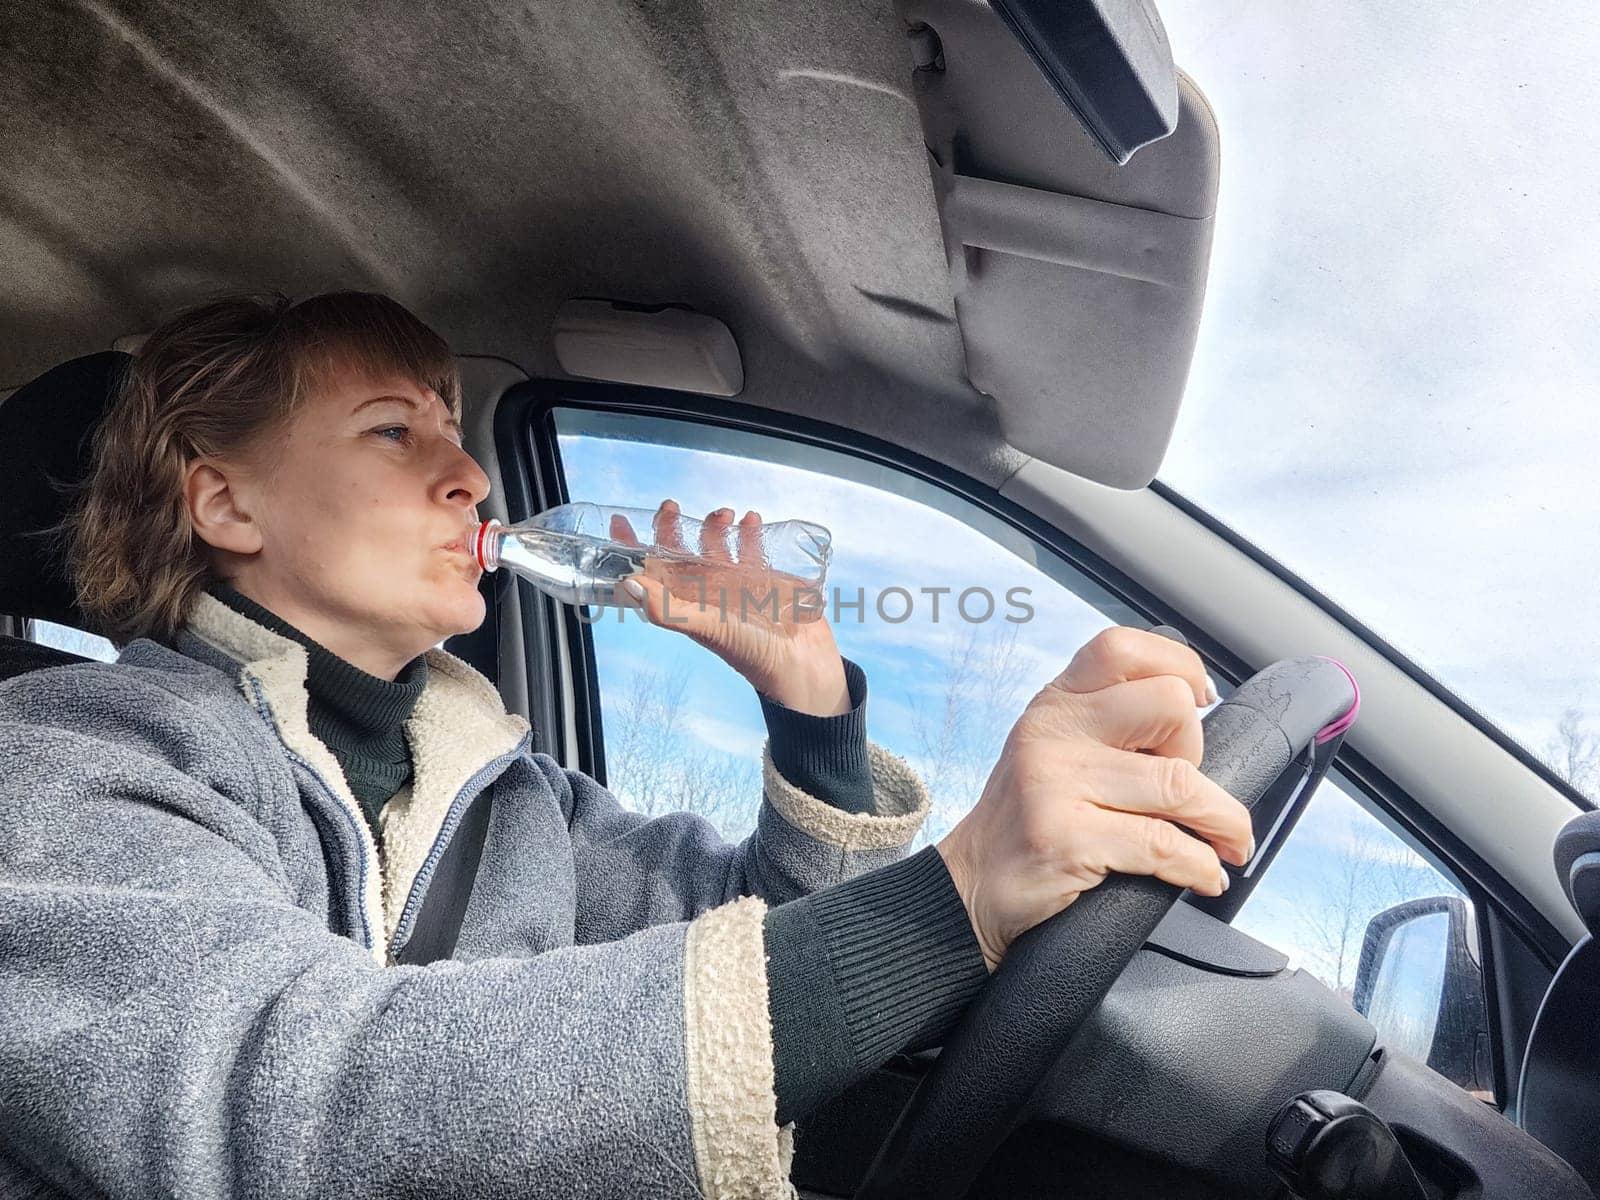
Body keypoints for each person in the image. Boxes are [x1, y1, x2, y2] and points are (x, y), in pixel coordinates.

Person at [0, 292, 1251, 1198]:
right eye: (394, 431)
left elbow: (754, 938)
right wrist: (962, 893)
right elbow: (295, 1105)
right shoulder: (67, 765)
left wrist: (811, 711)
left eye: (456, 432)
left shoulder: (514, 797)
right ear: (226, 501)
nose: (470, 480)